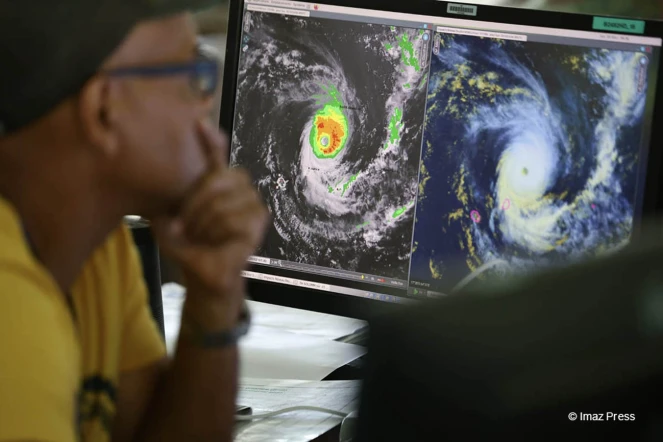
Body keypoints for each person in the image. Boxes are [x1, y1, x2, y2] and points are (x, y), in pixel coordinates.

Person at [0, 1, 269, 442]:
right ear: (103, 111)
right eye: (192, 76)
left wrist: (213, 300)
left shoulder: (97, 251)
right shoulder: (10, 312)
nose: (206, 104)